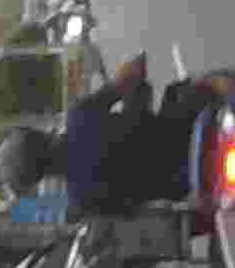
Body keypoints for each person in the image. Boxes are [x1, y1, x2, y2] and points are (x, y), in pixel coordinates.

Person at [59, 55, 202, 214]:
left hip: (182, 184)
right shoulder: (78, 118)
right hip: (178, 131)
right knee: (206, 84)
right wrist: (137, 64)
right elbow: (127, 78)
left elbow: (133, 211)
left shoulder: (82, 197)